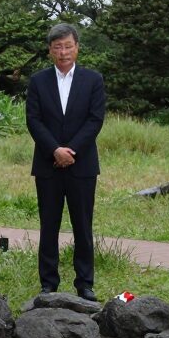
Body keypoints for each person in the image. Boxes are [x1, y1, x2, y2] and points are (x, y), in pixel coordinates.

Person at [25, 23, 107, 299]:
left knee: (83, 225)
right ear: (50, 50)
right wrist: (54, 151)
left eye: (68, 46)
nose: (63, 52)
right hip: (47, 165)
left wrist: (70, 150)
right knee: (49, 225)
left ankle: (85, 283)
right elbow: (33, 120)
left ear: (77, 48)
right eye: (57, 47)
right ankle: (48, 283)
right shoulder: (38, 81)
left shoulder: (93, 79)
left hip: (82, 165)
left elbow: (95, 119)